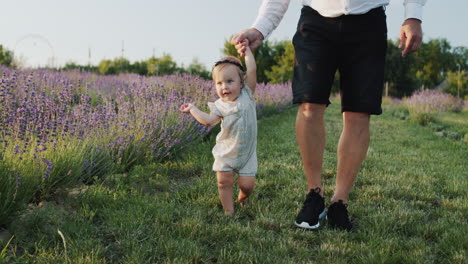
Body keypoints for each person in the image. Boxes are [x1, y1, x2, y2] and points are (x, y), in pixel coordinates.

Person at [231, 0, 426, 230]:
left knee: (358, 113)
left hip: (368, 23)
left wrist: (413, 15)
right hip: (315, 22)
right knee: (308, 106)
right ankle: (314, 194)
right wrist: (260, 27)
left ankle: (339, 202)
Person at [180, 41, 257, 216]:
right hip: (226, 152)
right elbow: (208, 121)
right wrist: (193, 109)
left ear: (241, 83)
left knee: (247, 185)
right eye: (219, 83)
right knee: (223, 182)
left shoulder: (247, 95)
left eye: (230, 81)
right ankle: (228, 211)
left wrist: (247, 53)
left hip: (247, 154)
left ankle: (243, 198)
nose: (224, 87)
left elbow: (251, 70)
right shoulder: (219, 106)